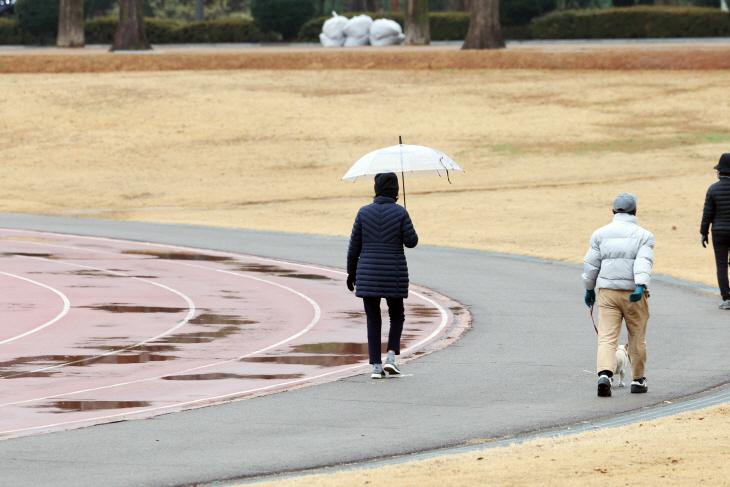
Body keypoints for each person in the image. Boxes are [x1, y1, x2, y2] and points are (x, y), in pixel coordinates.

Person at [346, 172, 418, 379]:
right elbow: (411, 242)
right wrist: (405, 217)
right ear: (395, 191)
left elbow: (354, 247)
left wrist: (352, 272)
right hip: (393, 273)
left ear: (376, 189)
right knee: (397, 315)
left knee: (373, 319)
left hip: (367, 273)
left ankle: (376, 367)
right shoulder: (400, 212)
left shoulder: (363, 212)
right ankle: (391, 359)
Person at [582, 193, 654, 397]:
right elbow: (643, 262)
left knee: (606, 337)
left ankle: (604, 374)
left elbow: (591, 264)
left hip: (607, 294)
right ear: (635, 211)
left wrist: (589, 288)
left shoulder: (599, 234)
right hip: (634, 294)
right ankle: (638, 380)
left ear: (613, 211)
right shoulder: (644, 235)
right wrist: (640, 285)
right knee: (637, 338)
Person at [700, 153, 730, 309]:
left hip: (719, 232)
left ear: (720, 172)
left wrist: (703, 232)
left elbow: (708, 214)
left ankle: (726, 298)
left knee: (722, 265)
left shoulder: (713, 189)